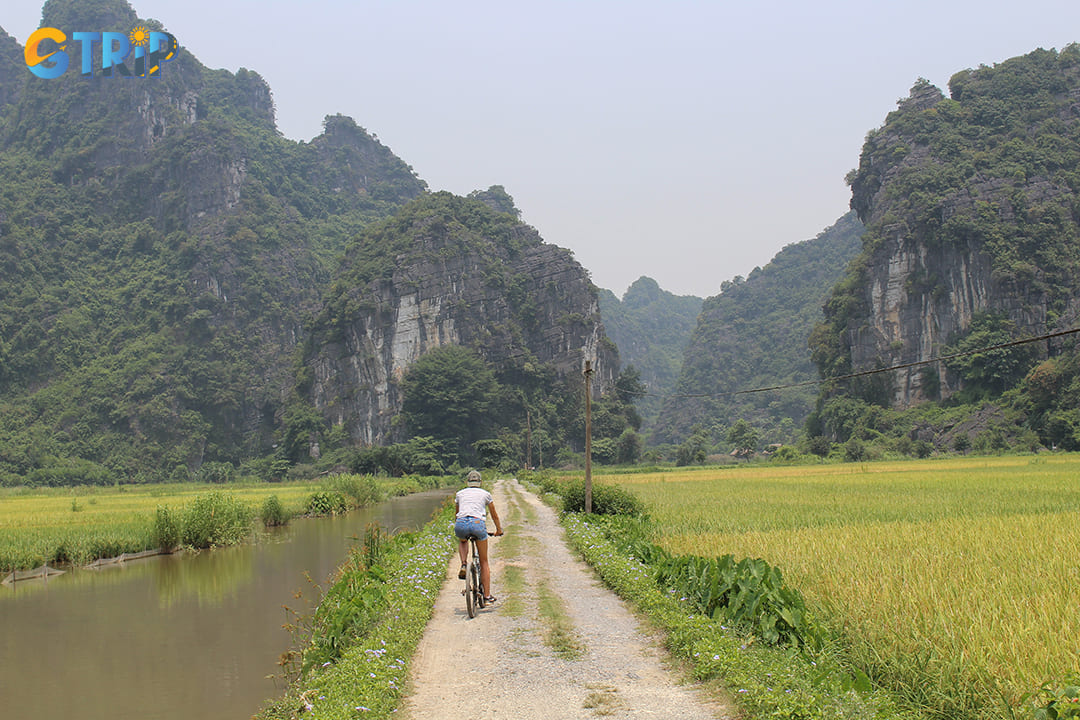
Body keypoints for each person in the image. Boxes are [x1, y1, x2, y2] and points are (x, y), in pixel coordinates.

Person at [454, 469, 503, 604]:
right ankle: (487, 595)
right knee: (484, 561)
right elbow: (494, 515)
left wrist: (459, 528)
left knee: (463, 541)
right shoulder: (486, 494)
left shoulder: (459, 494)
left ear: (467, 482)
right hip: (477, 523)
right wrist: (499, 530)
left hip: (461, 523)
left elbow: (457, 513)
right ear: (480, 482)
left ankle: (464, 564)